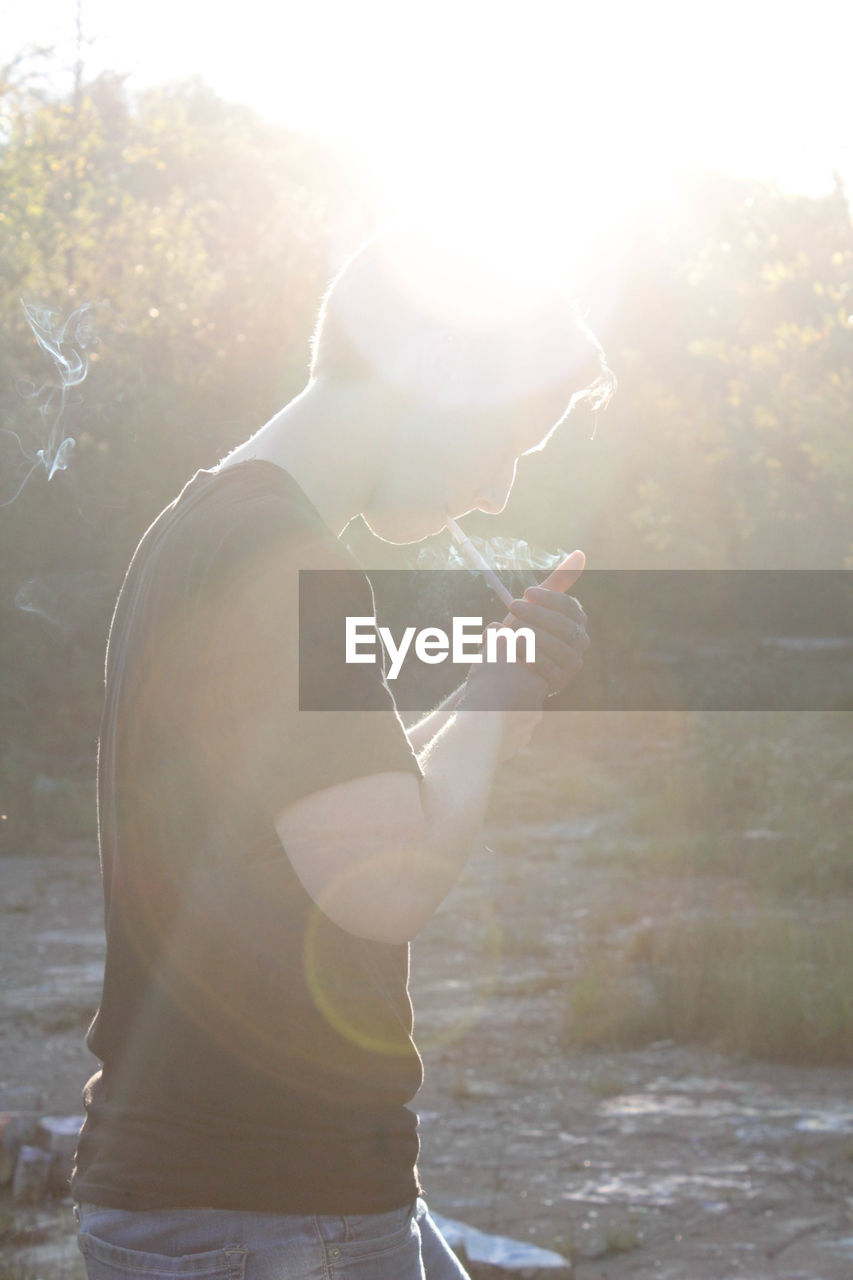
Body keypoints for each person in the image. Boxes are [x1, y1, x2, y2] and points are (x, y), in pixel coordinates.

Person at [71, 224, 615, 1280]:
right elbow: (385, 883)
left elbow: (319, 811)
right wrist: (500, 693)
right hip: (261, 1209)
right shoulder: (282, 561)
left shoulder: (207, 528)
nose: (499, 492)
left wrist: (482, 688)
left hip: (254, 1192)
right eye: (506, 441)